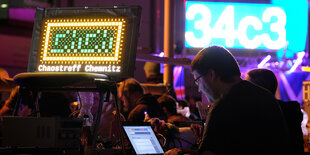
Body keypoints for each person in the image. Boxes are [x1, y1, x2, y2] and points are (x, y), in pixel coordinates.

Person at [166, 45, 291, 154]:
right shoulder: (265, 96)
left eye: (198, 81)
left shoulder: (222, 107)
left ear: (211, 75)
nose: (199, 89)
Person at [246, 68, 304, 154]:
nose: (244, 89)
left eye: (247, 85)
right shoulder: (290, 110)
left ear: (258, 89)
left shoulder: (254, 114)